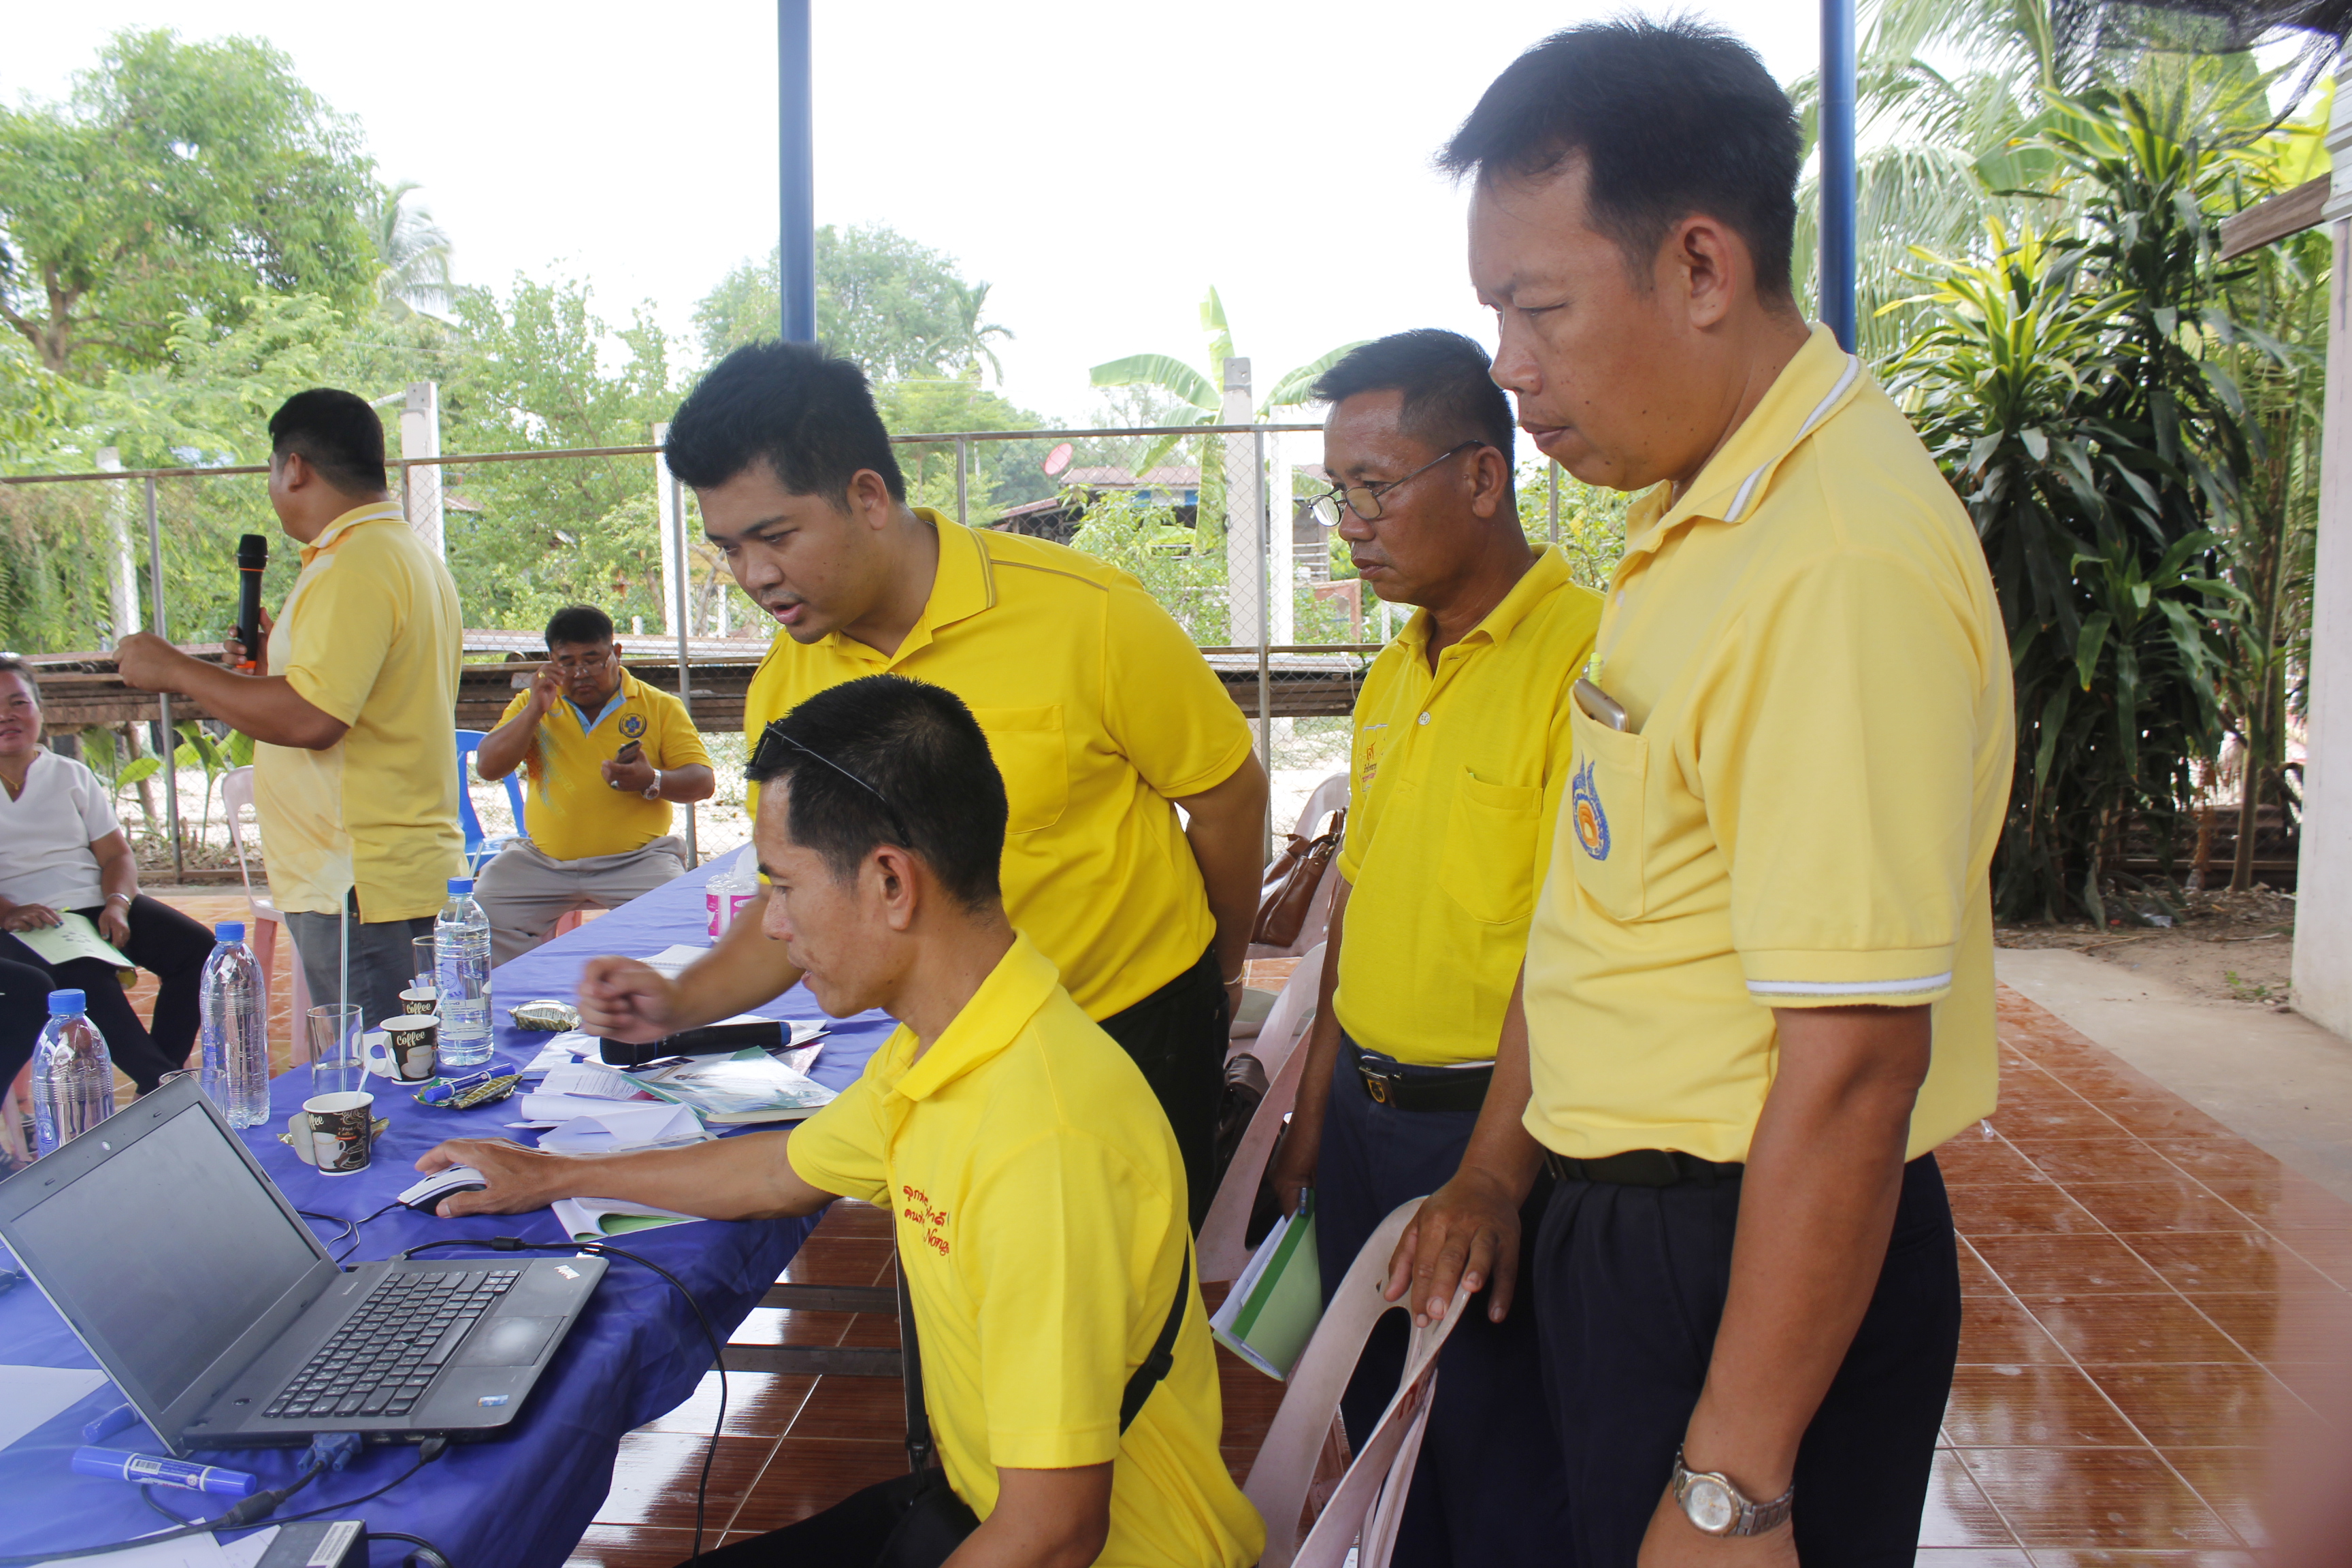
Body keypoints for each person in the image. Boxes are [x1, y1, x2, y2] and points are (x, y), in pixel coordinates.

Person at [1388, 20, 2014, 1567]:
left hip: (1740, 1251)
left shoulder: (1830, 566)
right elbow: (1613, 900)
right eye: (1493, 312)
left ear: (1699, 267)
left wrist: (1732, 1480)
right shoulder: (1705, 507)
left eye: (1537, 307)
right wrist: (1504, 1165)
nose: (1505, 366)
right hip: (1648, 1226)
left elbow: (1854, 1065)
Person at [416, 674, 1266, 1568]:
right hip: (979, 1509)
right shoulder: (953, 1044)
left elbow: (1053, 1536)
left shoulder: (1043, 1146)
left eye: (783, 887)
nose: (774, 928)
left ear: (891, 882)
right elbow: (780, 1170)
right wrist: (554, 1176)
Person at [575, 342, 1269, 1226]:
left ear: (868, 497)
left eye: (776, 537)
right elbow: (798, 894)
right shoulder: (786, 689)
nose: (753, 576)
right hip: (948, 1050)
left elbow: (1227, 800)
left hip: (1131, 1029)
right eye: (729, 548)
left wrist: (1222, 970)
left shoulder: (1086, 615)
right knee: (963, 1288)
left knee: (1113, 1300)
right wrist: (680, 1000)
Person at [1259, 330, 1598, 1566]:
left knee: (1498, 1457)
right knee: (1385, 1439)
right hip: (1366, 1119)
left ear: (1483, 476)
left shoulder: (1586, 660)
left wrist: (1493, 1176)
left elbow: (1570, 948)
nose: (1348, 525)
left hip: (1496, 1136)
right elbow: (1357, 901)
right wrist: (1312, 1110)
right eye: (1336, 493)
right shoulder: (1396, 670)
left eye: (1374, 487)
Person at [116, 389, 465, 1030]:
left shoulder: (351, 564)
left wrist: (175, 669)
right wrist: (271, 669)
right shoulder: (405, 553)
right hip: (392, 870)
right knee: (412, 1060)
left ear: (295, 467)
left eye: (271, 468)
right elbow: (348, 698)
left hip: (358, 880)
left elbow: (312, 719)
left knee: (379, 1068)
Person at [0, 654, 216, 1095]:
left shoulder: (70, 775)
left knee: (199, 950)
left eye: (18, 702)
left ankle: (156, 1086)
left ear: (39, 709)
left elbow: (116, 856)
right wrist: (8, 912)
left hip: (95, 903)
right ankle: (164, 1087)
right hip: (23, 922)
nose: (7, 716)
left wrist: (118, 903)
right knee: (85, 972)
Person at [470, 604, 715, 964]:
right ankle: (521, 991)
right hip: (543, 862)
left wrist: (651, 780)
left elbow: (703, 782)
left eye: (593, 660)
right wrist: (535, 709)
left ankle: (653, 994)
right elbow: (488, 767)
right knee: (480, 914)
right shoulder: (534, 702)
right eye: (567, 663)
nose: (581, 673)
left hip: (637, 862)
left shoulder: (660, 706)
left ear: (616, 653)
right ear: (551, 662)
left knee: (680, 922)